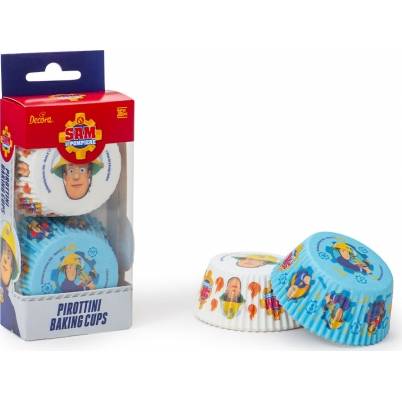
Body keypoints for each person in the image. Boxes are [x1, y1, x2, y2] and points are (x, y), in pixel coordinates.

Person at [0, 223, 20, 336]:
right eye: (3, 251)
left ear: (13, 270)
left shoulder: (11, 309)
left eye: (9, 256)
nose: (5, 260)